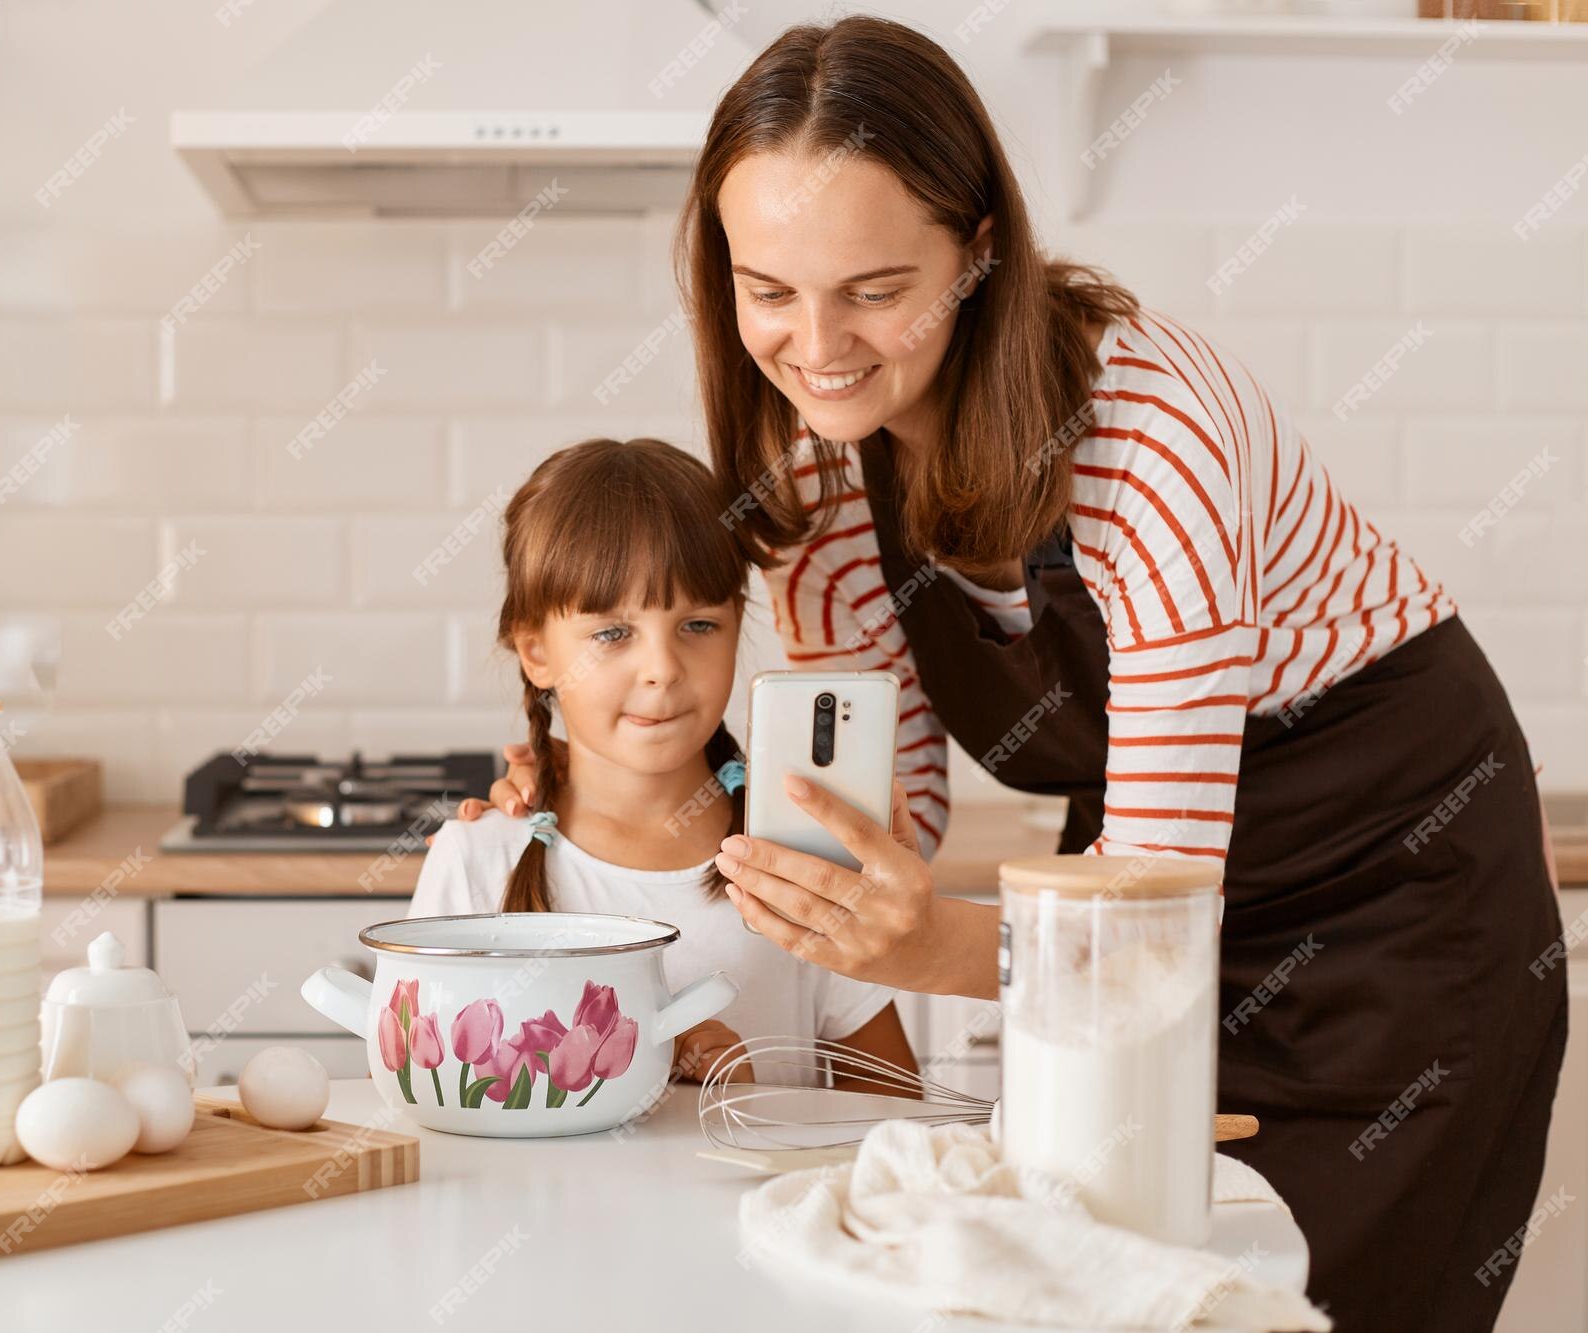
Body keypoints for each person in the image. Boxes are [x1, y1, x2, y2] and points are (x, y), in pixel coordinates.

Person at [461, 18, 1566, 1330]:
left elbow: (1149, 913)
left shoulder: (1153, 444)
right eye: (769, 289)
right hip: (1120, 905)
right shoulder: (817, 461)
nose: (817, 345)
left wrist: (934, 943)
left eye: (873, 290)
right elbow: (875, 801)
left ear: (979, 249)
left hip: (1395, 910)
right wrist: (618, 808)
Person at [411, 437, 919, 1093]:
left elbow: (893, 1103)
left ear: (738, 623)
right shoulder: (475, 860)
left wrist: (747, 1092)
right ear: (536, 651)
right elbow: (426, 1100)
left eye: (699, 625)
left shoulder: (803, 856)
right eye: (613, 633)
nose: (663, 669)